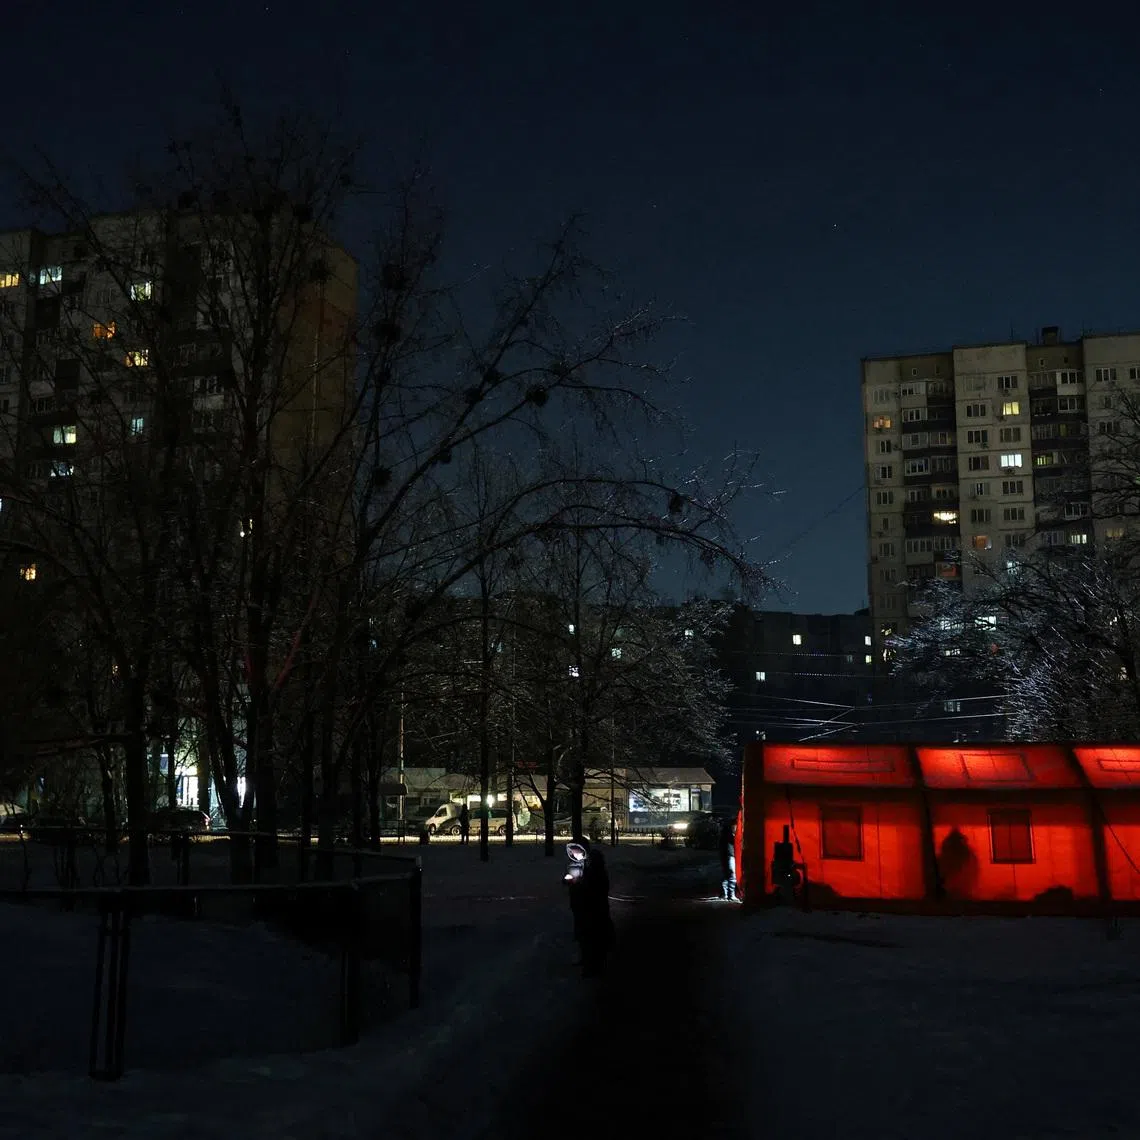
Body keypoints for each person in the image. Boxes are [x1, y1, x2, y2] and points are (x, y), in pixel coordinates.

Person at [564, 837, 615, 977]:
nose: (574, 853)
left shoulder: (594, 864)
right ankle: (588, 960)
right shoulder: (578, 863)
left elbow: (599, 885)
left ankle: (594, 965)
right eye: (572, 851)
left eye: (576, 850)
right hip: (580, 905)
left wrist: (582, 885)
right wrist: (569, 880)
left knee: (593, 935)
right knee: (583, 934)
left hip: (593, 907)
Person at [718, 814, 738, 902]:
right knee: (732, 875)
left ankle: (724, 894)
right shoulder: (729, 835)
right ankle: (730, 894)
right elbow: (732, 842)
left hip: (726, 855)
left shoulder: (725, 834)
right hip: (729, 855)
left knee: (727, 875)